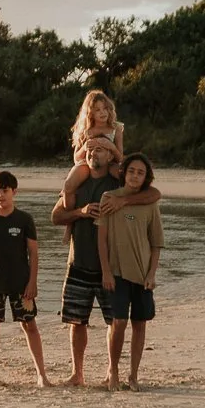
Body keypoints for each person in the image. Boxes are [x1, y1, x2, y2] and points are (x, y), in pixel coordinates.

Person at [53, 146, 161, 385]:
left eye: (101, 149)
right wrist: (79, 212)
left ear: (111, 157)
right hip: (79, 261)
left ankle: (114, 371)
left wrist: (124, 201)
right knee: (76, 321)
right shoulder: (74, 184)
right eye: (90, 149)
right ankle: (77, 373)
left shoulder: (116, 183)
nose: (94, 153)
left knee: (115, 321)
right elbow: (56, 217)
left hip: (112, 268)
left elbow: (153, 194)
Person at [0, 170, 52, 387]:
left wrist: (32, 282)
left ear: (14, 191)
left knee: (30, 325)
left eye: (4, 190)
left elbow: (33, 253)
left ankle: (41, 375)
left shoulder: (24, 219)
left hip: (20, 281)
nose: (0, 195)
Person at [96, 154, 163, 390]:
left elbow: (156, 243)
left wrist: (152, 274)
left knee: (140, 323)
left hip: (143, 273)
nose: (135, 175)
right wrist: (105, 271)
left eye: (141, 172)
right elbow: (102, 240)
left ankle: (133, 375)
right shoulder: (109, 198)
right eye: (132, 170)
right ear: (124, 172)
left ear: (146, 177)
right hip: (116, 272)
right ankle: (113, 371)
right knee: (119, 321)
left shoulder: (150, 203)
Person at [61, 90, 125, 216]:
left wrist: (111, 147)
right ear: (90, 113)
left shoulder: (116, 128)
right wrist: (85, 147)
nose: (103, 112)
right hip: (87, 163)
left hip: (110, 162)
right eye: (97, 110)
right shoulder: (86, 130)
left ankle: (126, 202)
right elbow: (76, 159)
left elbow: (120, 158)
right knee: (69, 184)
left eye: (105, 108)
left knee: (123, 176)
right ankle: (69, 211)